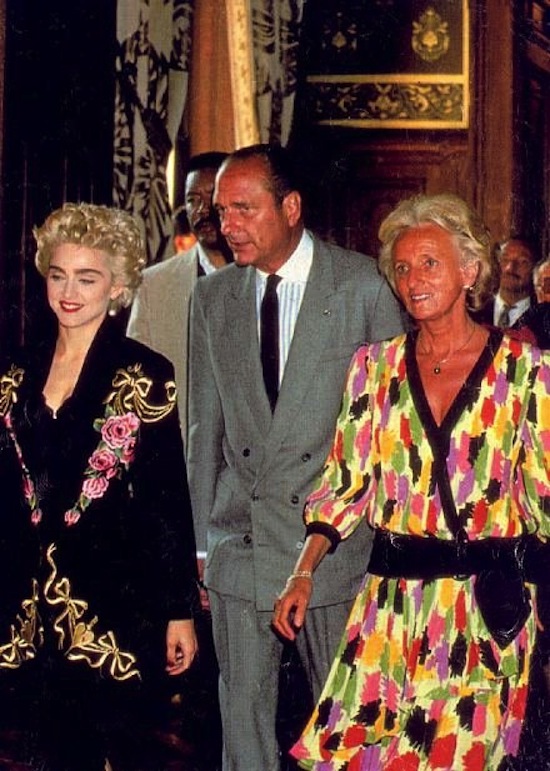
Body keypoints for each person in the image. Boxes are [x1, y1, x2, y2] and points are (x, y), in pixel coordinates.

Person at [273, 193, 550, 770]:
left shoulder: (525, 372)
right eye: (401, 268)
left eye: (429, 263)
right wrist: (303, 572)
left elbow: (544, 496)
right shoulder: (373, 369)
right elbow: (345, 484)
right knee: (362, 754)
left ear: (469, 271)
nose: (413, 280)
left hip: (484, 613)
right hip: (391, 611)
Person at [187, 143, 405, 771]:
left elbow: (388, 433)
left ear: (290, 207)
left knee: (348, 731)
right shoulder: (213, 298)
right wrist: (201, 547)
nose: (228, 225)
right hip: (240, 546)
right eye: (221, 211)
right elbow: (204, 432)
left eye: (244, 209)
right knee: (243, 732)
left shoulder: (362, 286)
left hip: (335, 551)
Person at [0, 203, 200, 771]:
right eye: (58, 275)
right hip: (24, 603)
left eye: (87, 278)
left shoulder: (144, 373)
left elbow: (166, 499)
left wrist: (179, 610)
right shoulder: (14, 370)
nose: (69, 292)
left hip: (115, 601)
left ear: (116, 287)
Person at [127, 151, 231, 451]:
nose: (202, 210)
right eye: (192, 200)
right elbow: (135, 379)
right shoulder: (154, 285)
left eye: (211, 197)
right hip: (179, 455)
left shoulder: (266, 278)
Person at [472, 236, 537, 331]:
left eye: (522, 262)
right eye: (505, 259)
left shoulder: (542, 320)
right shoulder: (474, 314)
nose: (510, 268)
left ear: (535, 268)